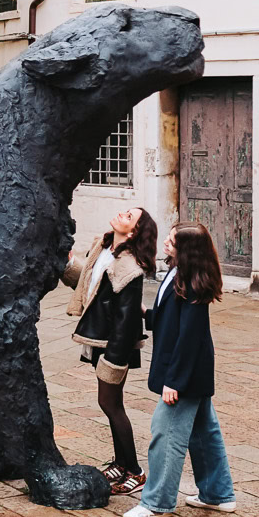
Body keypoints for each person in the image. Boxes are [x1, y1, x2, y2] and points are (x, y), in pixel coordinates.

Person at [124, 221, 237, 517]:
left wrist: (174, 382)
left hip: (185, 374)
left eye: (172, 242)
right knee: (204, 433)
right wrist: (147, 314)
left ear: (186, 250)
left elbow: (189, 338)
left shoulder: (194, 285)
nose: (165, 244)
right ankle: (217, 494)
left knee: (165, 434)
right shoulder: (178, 274)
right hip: (194, 373)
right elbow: (170, 316)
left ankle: (157, 503)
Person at [61, 206, 159, 494]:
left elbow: (127, 320)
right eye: (125, 212)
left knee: (111, 404)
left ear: (133, 232)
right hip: (99, 338)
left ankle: (136, 471)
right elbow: (90, 284)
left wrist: (113, 361)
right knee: (109, 404)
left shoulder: (130, 267)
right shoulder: (102, 246)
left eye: (129, 217)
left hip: (116, 347)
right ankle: (119, 463)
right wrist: (69, 265)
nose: (121, 215)